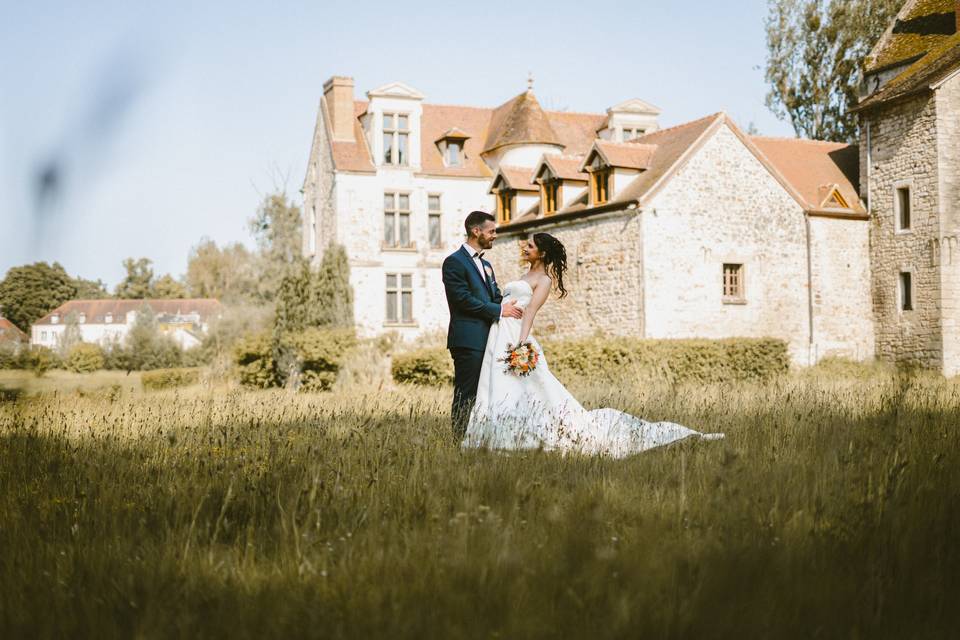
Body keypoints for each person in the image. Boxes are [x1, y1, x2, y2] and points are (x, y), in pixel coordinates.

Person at [462, 232, 724, 457]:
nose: (525, 248)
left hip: (515, 334)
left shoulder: (543, 280)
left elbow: (530, 311)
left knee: (529, 385)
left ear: (541, 253)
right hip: (500, 331)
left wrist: (521, 343)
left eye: (530, 246)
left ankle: (526, 435)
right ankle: (494, 433)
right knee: (497, 382)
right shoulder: (525, 274)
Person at [442, 211, 523, 441]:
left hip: (490, 339)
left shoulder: (486, 264)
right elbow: (463, 299)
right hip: (468, 339)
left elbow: (495, 296)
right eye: (491, 231)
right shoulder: (453, 262)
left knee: (486, 393)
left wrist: (511, 305)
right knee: (466, 393)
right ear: (476, 231)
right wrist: (499, 311)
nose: (495, 235)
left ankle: (479, 439)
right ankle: (459, 441)